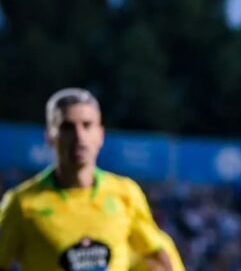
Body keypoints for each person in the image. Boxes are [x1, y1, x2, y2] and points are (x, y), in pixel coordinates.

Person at [0, 88, 173, 271]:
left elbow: (158, 256)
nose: (79, 136)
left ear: (100, 135)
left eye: (87, 125)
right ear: (50, 136)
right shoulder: (22, 203)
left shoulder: (126, 193)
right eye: (67, 127)